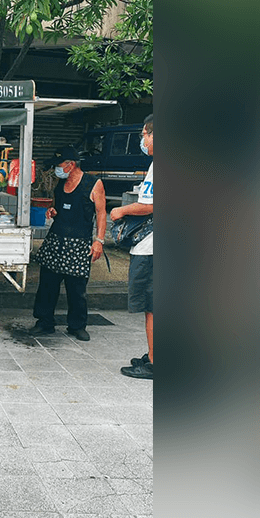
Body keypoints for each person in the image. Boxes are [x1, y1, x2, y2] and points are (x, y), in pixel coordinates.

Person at [28, 146, 107, 341]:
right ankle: (44, 322)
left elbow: (101, 213)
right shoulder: (60, 183)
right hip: (56, 240)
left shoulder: (93, 183)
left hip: (79, 243)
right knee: (47, 285)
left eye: (59, 165)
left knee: (76, 288)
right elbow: (59, 207)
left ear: (71, 165)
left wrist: (99, 241)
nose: (56, 169)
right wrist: (53, 211)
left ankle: (77, 326)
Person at [112, 114, 154, 379]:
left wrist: (121, 210)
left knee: (153, 305)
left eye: (143, 134)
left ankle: (153, 363)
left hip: (151, 248)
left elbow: (150, 205)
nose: (142, 139)